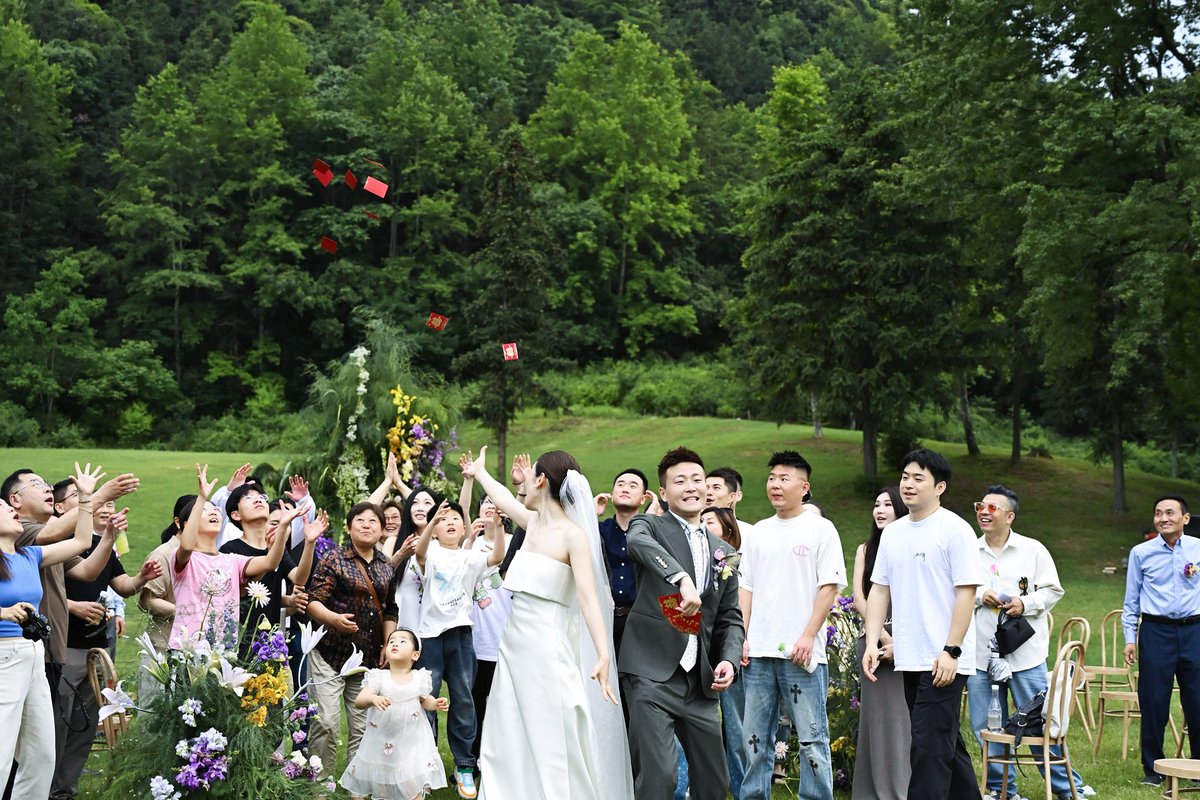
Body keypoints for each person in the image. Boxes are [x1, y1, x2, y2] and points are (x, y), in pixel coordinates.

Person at [464, 445, 633, 800]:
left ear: (541, 480)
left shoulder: (574, 536)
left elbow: (589, 598)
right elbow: (504, 497)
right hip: (512, 646)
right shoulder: (533, 522)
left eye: (530, 475)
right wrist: (479, 473)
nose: (523, 482)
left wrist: (603, 653)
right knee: (508, 726)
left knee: (548, 729)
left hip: (546, 646)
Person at [620, 446, 745, 800]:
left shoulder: (726, 552)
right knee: (659, 778)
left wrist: (728, 659)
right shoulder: (650, 525)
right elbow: (637, 542)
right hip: (651, 672)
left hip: (699, 683)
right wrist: (679, 577)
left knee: (712, 784)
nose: (690, 487)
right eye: (679, 481)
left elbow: (730, 617)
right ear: (663, 492)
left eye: (696, 480)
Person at [862, 448, 982, 800]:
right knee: (945, 744)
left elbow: (966, 594)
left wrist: (951, 650)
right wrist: (872, 643)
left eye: (919, 478)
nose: (908, 485)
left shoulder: (954, 530)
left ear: (940, 486)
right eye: (905, 477)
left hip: (943, 658)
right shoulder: (894, 533)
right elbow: (879, 590)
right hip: (910, 656)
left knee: (927, 749)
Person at [967, 484, 1093, 800]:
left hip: (1025, 655)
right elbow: (956, 591)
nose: (984, 511)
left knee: (1039, 726)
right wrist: (982, 595)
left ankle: (1067, 787)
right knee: (986, 726)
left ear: (1010, 516)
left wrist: (1026, 604)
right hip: (981, 655)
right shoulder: (968, 550)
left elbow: (1053, 590)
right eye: (981, 505)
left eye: (992, 508)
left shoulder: (1032, 550)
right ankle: (1000, 789)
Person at [740, 451, 845, 800]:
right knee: (754, 738)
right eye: (772, 477)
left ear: (804, 486)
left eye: (784, 478)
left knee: (812, 736)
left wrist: (808, 635)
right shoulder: (758, 533)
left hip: (802, 652)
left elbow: (828, 586)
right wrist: (742, 636)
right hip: (759, 650)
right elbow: (747, 588)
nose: (775, 484)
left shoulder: (820, 529)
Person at [0, 463, 102, 798]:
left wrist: (86, 498)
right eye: (2, 507)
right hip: (4, 656)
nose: (9, 512)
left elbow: (83, 540)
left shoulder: (29, 556)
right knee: (1, 754)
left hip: (34, 656)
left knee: (42, 754)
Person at [53, 496, 161, 799]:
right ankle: (44, 786)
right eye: (81, 499)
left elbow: (122, 585)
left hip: (96, 649)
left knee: (85, 725)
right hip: (63, 648)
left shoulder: (102, 545)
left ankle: (65, 790)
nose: (98, 504)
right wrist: (72, 606)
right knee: (57, 723)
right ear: (61, 509)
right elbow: (43, 592)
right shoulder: (56, 543)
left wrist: (142, 577)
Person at [414, 499, 504, 798]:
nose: (449, 521)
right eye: (443, 519)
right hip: (430, 637)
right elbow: (420, 552)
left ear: (464, 527)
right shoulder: (432, 553)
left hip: (462, 636)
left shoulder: (471, 556)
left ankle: (464, 764)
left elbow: (497, 557)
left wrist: (500, 528)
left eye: (454, 518)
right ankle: (425, 765)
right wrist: (430, 522)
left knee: (464, 700)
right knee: (426, 698)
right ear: (435, 529)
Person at [305, 501, 398, 776]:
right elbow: (313, 602)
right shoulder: (335, 559)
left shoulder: (385, 565)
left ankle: (356, 786)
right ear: (348, 527)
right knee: (327, 723)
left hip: (365, 658)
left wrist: (389, 642)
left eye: (373, 521)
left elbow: (390, 607)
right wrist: (334, 619)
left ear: (382, 530)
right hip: (329, 654)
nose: (367, 525)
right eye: (360, 520)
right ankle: (320, 787)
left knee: (363, 727)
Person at [168, 465, 298, 650]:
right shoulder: (184, 559)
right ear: (188, 524)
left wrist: (283, 528)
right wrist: (202, 498)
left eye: (215, 510)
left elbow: (270, 563)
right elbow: (187, 545)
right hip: (186, 651)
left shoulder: (232, 560)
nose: (213, 512)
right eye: (205, 511)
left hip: (223, 652)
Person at [1122, 494, 1200, 786]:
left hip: (1195, 630)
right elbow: (1131, 601)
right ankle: (1153, 768)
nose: (1163, 518)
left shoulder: (1198, 549)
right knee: (1154, 700)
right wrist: (1130, 639)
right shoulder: (1141, 552)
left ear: (1185, 518)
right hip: (1156, 632)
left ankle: (1197, 767)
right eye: (1158, 513)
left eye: (1170, 512)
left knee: (1197, 699)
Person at [219, 479, 327, 655]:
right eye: (247, 498)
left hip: (272, 644)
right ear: (236, 515)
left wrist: (310, 543)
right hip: (239, 642)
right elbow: (238, 593)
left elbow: (299, 578)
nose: (258, 499)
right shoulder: (230, 550)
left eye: (261, 496)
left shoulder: (278, 549)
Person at [850, 487, 910, 800]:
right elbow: (860, 596)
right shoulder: (865, 549)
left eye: (888, 504)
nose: (880, 510)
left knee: (901, 719)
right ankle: (869, 792)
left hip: (910, 640)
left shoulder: (911, 545)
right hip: (873, 640)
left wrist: (900, 638)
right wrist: (881, 635)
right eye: (876, 504)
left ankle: (901, 789)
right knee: (875, 720)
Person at [341, 628, 449, 800]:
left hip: (410, 743)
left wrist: (435, 703)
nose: (395, 643)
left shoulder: (418, 678)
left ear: (415, 655)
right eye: (391, 641)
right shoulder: (378, 677)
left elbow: (425, 700)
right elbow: (359, 701)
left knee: (411, 784)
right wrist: (373, 699)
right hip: (381, 742)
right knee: (381, 784)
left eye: (402, 641)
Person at [701, 505, 748, 799]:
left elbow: (734, 614)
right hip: (695, 652)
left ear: (727, 531)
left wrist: (735, 650)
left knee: (736, 726)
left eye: (710, 522)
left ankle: (744, 787)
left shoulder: (730, 561)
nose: (703, 526)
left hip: (728, 651)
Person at [468, 500, 513, 763]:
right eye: (486, 502)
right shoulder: (470, 542)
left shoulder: (515, 541)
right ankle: (471, 759)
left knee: (502, 706)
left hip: (504, 637)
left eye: (496, 503)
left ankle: (498, 761)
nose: (491, 506)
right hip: (475, 639)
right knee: (474, 704)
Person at [594, 468, 651, 655]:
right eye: (620, 485)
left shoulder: (651, 533)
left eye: (633, 486)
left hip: (640, 621)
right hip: (604, 620)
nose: (625, 488)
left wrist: (654, 517)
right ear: (612, 494)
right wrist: (590, 515)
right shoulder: (599, 530)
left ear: (643, 498)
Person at [706, 467, 757, 540]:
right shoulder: (692, 530)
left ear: (735, 496)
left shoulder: (750, 534)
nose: (708, 492)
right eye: (706, 487)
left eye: (716, 488)